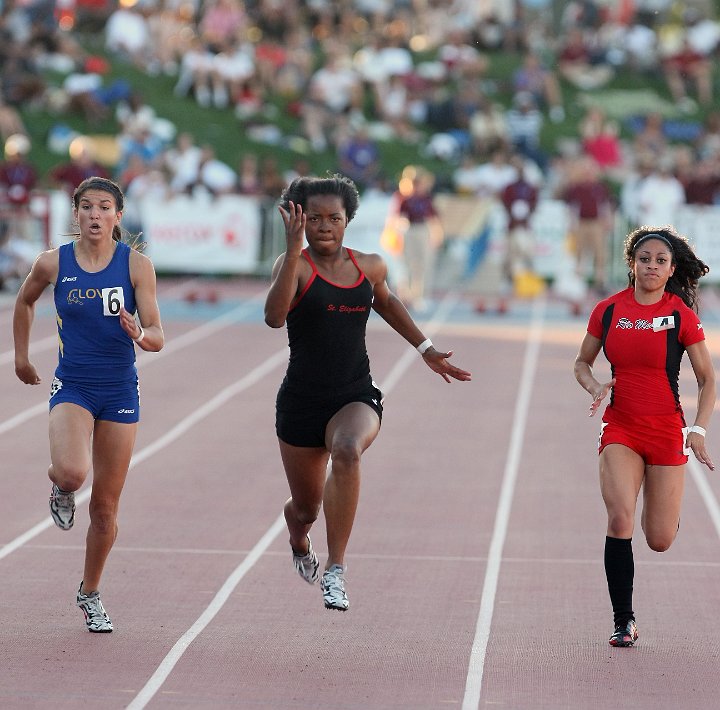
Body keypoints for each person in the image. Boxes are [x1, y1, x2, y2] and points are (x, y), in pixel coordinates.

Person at [264, 174, 471, 611]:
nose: (324, 226)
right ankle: (298, 536)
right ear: (299, 220)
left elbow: (387, 302)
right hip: (300, 402)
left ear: (347, 220)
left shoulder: (369, 265)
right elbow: (274, 317)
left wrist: (426, 349)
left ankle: (336, 569)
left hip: (354, 393)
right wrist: (291, 246)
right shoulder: (294, 266)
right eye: (314, 218)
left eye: (333, 218)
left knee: (347, 451)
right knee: (306, 508)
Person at [13, 177, 164, 632]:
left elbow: (158, 334)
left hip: (119, 389)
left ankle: (90, 592)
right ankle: (60, 488)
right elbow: (24, 302)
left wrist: (140, 333)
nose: (95, 215)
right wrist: (21, 357)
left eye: (104, 208)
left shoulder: (136, 267)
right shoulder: (52, 263)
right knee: (73, 473)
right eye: (87, 207)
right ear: (75, 214)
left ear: (118, 216)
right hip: (73, 386)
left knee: (104, 509)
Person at [574, 226, 715, 648]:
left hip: (666, 429)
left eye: (660, 261)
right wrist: (596, 385)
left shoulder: (680, 316)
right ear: (632, 264)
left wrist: (699, 429)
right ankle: (624, 620)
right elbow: (581, 362)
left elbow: (709, 380)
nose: (651, 266)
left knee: (659, 539)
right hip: (621, 426)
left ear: (672, 270)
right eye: (644, 259)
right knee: (620, 519)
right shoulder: (609, 310)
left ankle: (667, 503)